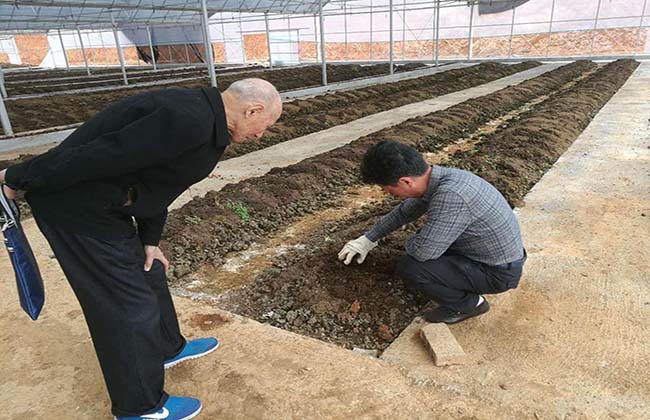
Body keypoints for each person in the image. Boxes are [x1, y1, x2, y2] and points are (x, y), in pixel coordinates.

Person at [0, 78, 282, 420]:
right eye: (264, 127)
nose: (260, 136)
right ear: (252, 110)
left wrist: (150, 241)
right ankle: (138, 407)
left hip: (107, 204)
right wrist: (17, 177)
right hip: (77, 210)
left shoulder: (204, 121)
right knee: (126, 304)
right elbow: (100, 154)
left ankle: (167, 347)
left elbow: (160, 183)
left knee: (151, 271)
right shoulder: (188, 120)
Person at [338, 140, 526, 324]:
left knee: (411, 267)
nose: (391, 195)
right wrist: (368, 238)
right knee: (430, 242)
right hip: (490, 254)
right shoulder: (442, 179)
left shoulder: (452, 196)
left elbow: (423, 252)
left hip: (497, 273)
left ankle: (469, 304)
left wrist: (416, 238)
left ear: (405, 181)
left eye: (389, 190)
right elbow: (404, 212)